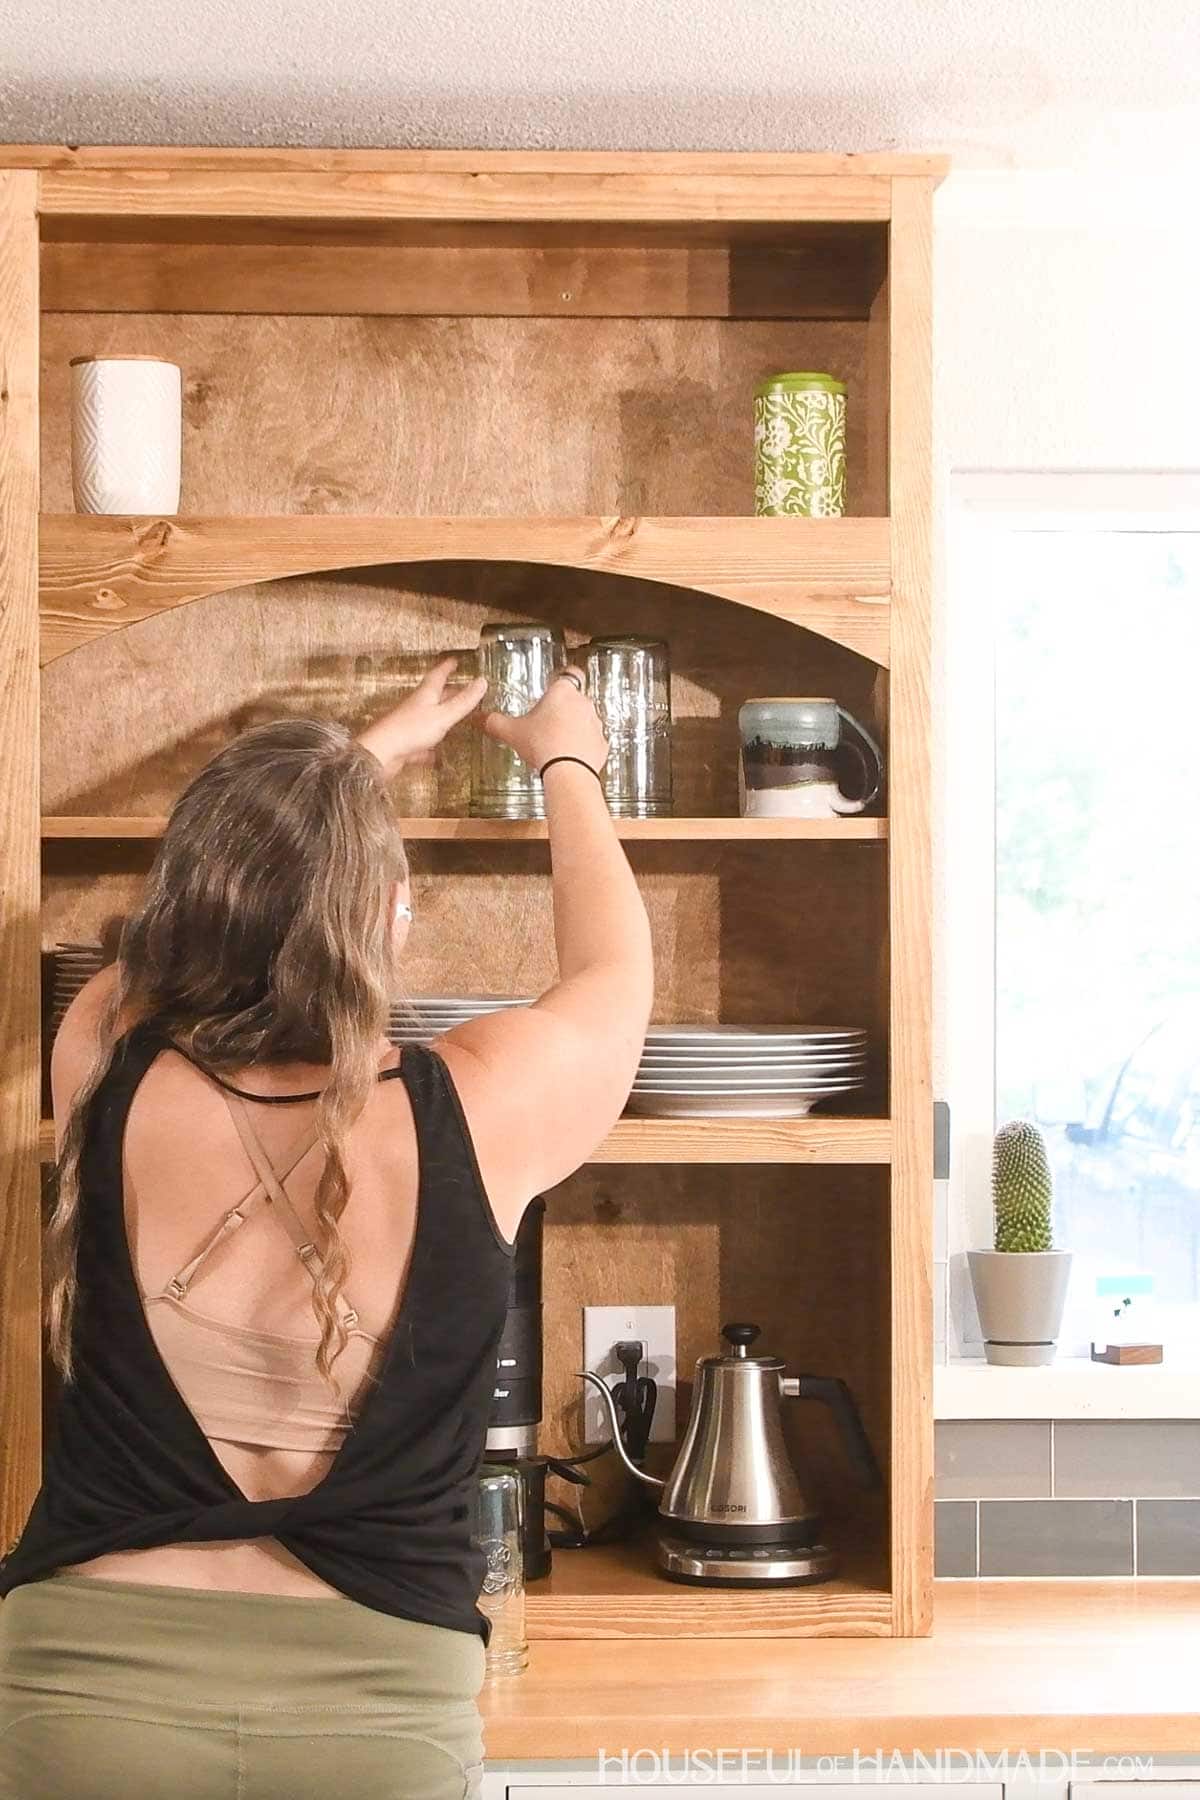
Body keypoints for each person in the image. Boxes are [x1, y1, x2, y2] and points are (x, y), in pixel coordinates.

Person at [0, 660, 652, 1800]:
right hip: (376, 1718)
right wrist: (567, 760)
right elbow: (612, 973)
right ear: (392, 915)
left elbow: (168, 950)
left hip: (80, 1696)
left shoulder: (103, 1057)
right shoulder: (484, 1104)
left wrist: (355, 764)